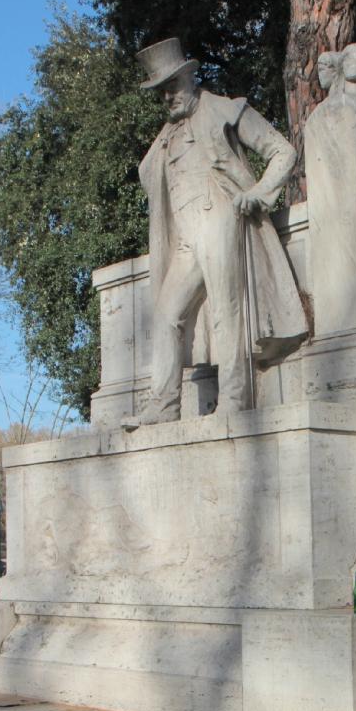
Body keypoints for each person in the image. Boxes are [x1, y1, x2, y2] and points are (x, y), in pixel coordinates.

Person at [133, 38, 307, 424]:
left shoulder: (225, 109)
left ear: (190, 77)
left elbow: (283, 151)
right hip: (185, 235)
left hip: (219, 215)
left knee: (226, 311)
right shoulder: (166, 135)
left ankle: (233, 399)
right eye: (160, 91)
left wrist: (260, 192)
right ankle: (163, 404)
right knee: (166, 314)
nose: (166, 97)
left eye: (171, 86)